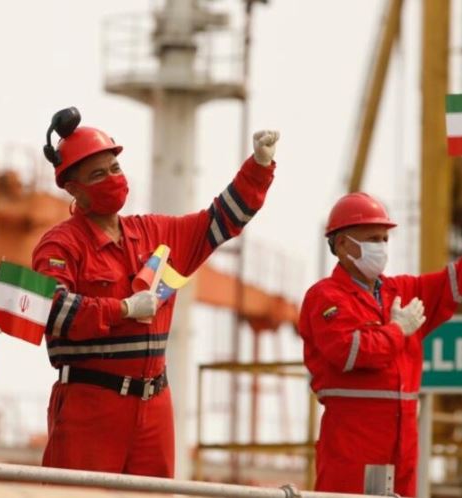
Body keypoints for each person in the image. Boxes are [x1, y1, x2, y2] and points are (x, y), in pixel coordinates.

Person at [31, 107, 279, 477]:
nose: (112, 179)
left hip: (154, 407)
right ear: (73, 189)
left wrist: (258, 168)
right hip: (90, 405)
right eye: (98, 174)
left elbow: (221, 221)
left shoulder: (155, 233)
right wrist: (123, 309)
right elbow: (50, 310)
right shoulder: (60, 245)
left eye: (115, 168)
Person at [299, 192, 462, 496]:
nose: (382, 247)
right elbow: (350, 351)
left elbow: (454, 283)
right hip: (352, 452)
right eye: (373, 239)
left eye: (385, 239)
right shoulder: (325, 297)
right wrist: (398, 331)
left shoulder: (401, 291)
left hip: (403, 452)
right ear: (343, 244)